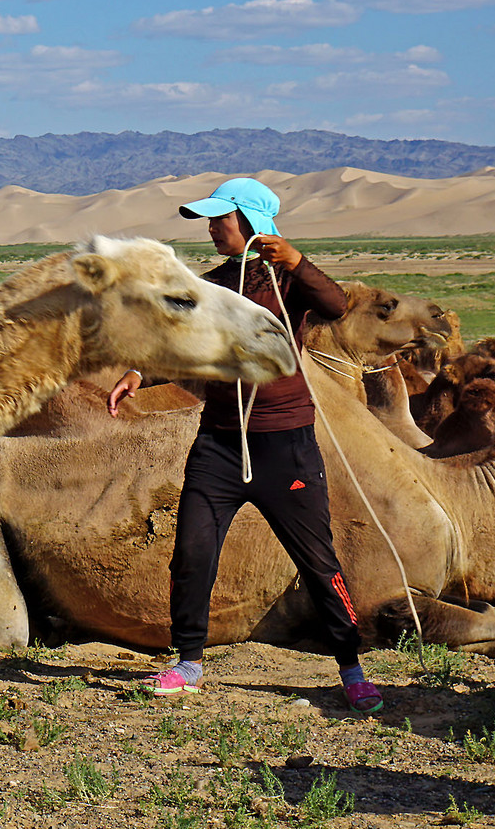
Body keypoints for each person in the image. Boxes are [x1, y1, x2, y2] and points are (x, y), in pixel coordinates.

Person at [107, 177, 383, 713]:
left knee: (318, 560)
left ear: (253, 223)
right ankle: (188, 663)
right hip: (220, 444)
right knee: (192, 552)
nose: (212, 229)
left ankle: (351, 668)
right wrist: (142, 373)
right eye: (210, 221)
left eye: (220, 219)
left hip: (287, 444)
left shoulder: (288, 280)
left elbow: (336, 305)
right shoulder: (213, 284)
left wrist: (298, 261)